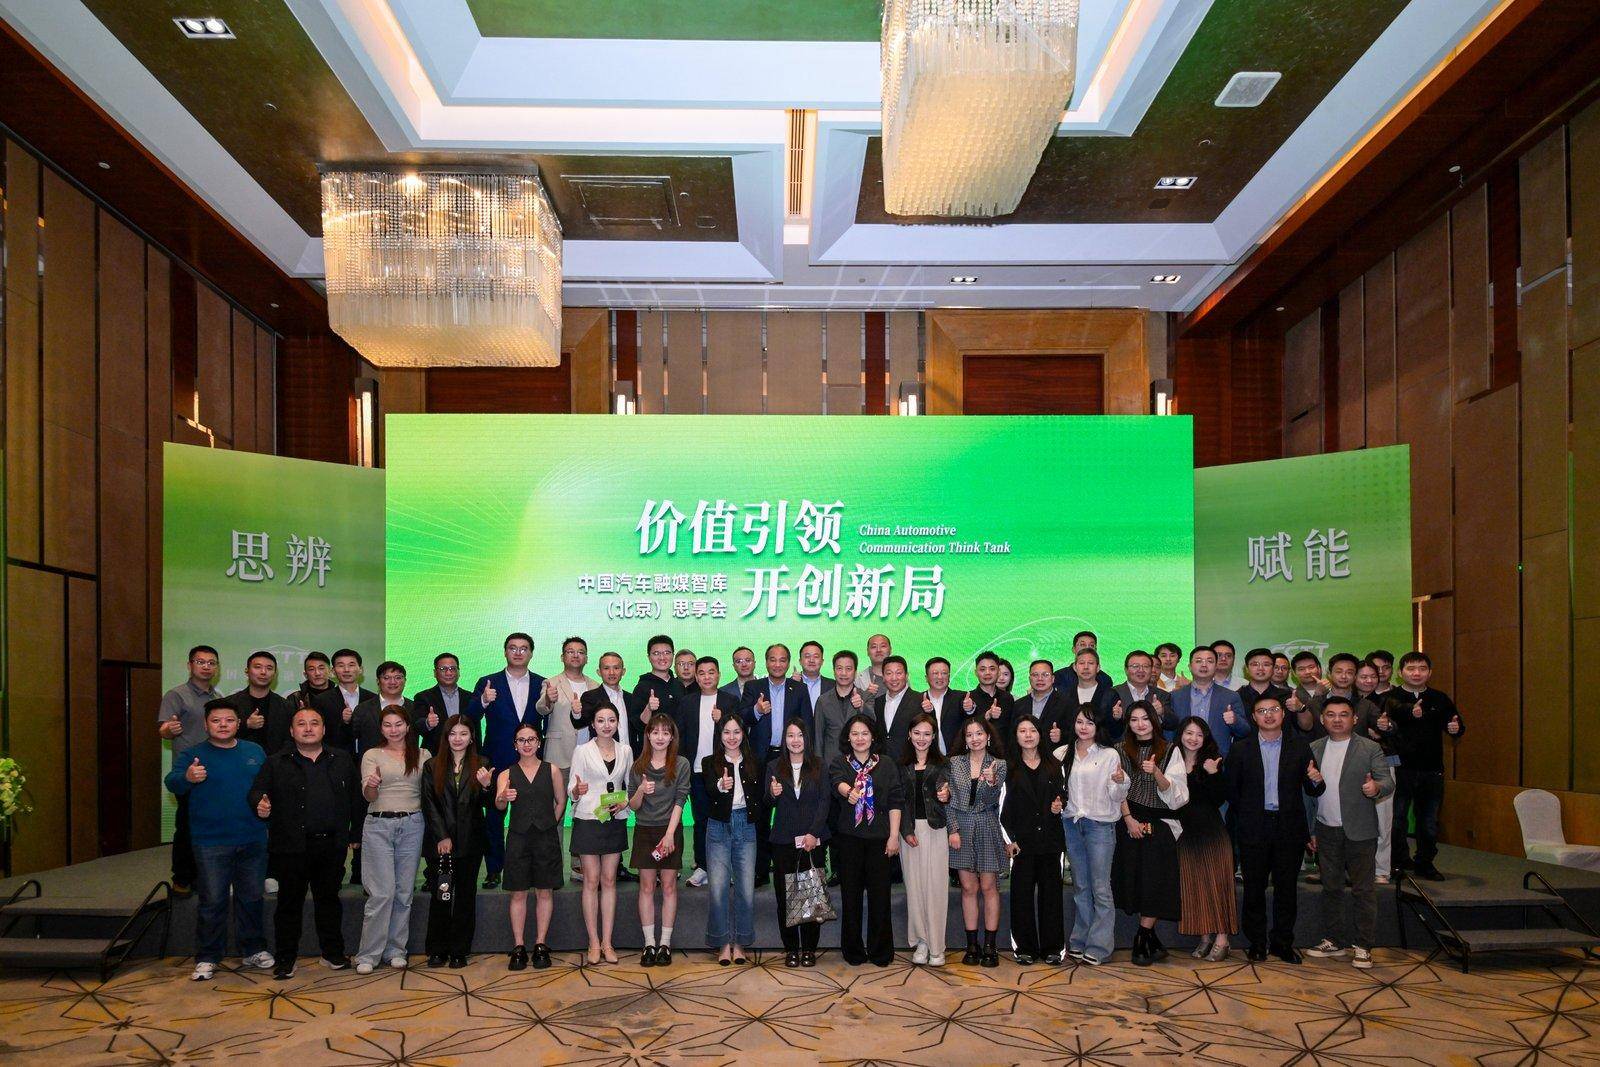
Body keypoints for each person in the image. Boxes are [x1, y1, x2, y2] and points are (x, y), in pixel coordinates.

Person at [249, 705, 363, 980]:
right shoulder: (276, 762)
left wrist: (355, 834)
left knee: (329, 901)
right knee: (289, 904)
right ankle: (286, 958)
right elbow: (257, 792)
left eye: (314, 723)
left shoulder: (341, 759)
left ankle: (332, 953)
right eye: (301, 724)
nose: (308, 728)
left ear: (324, 729)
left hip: (331, 845)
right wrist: (259, 804)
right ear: (292, 731)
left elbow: (356, 799)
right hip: (290, 846)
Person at [165, 700, 272, 980]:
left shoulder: (254, 751)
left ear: (238, 723)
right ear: (205, 724)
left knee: (252, 898)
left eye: (229, 720)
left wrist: (267, 803)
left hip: (253, 837)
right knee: (212, 901)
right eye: (216, 720)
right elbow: (172, 782)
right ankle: (208, 956)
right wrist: (188, 777)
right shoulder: (193, 754)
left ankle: (253, 949)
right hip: (210, 842)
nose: (223, 725)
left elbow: (268, 785)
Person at [1226, 697, 1325, 963]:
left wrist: (1316, 780)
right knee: (1254, 888)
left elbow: (1313, 789)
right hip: (1254, 827)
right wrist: (1246, 819)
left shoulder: (1300, 746)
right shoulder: (1241, 749)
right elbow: (1232, 792)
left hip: (1288, 827)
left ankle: (1282, 943)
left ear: (1283, 714)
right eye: (1262, 711)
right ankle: (1257, 942)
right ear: (1254, 717)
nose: (1268, 715)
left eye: (1273, 710)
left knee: (1286, 889)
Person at [1304, 697, 1395, 969]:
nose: (1337, 720)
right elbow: (1308, 794)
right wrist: (1311, 829)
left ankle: (1364, 945)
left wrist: (1375, 788)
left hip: (1360, 830)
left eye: (1343, 714)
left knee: (1363, 890)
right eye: (1331, 715)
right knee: (1331, 888)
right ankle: (1334, 940)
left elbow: (1387, 781)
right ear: (1322, 719)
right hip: (1325, 829)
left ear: (1354, 719)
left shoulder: (1370, 747)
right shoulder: (1314, 748)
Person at [467, 633, 546, 889]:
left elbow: (547, 720)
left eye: (524, 648)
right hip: (497, 759)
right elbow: (469, 717)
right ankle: (494, 869)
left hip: (532, 761)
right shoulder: (488, 682)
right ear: (505, 652)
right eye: (513, 648)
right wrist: (483, 700)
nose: (518, 652)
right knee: (493, 817)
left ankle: (531, 867)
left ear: (531, 653)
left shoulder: (542, 683)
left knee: (533, 816)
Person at [1113, 701, 1188, 965]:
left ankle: (1142, 936)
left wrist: (1156, 772)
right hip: (1129, 819)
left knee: (1156, 881)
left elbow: (1178, 795)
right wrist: (1128, 819)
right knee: (1136, 881)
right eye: (1134, 719)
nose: (1140, 724)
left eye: (1145, 718)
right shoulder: (1119, 750)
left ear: (1154, 721)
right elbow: (1116, 791)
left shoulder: (1170, 750)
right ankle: (1150, 938)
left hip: (1161, 821)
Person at [356, 707, 430, 973]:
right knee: (381, 893)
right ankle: (368, 955)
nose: (393, 730)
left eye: (398, 724)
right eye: (387, 725)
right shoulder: (372, 755)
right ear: (381, 728)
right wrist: (372, 784)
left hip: (412, 824)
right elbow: (369, 796)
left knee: (403, 893)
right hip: (379, 825)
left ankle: (396, 950)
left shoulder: (422, 755)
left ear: (408, 726)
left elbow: (431, 791)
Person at [829, 713, 905, 966]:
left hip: (880, 839)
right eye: (855, 734)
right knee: (850, 897)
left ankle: (880, 951)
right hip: (849, 840)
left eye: (864, 733)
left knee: (880, 897)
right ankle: (853, 951)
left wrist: (894, 836)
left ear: (873, 737)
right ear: (848, 738)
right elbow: (837, 783)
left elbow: (895, 800)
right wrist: (848, 791)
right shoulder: (840, 763)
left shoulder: (886, 764)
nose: (860, 738)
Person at [1380, 652, 1462, 881]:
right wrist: (1407, 713)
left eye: (1422, 668)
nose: (1416, 673)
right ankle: (1398, 861)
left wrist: (1455, 729)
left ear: (1430, 672)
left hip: (1431, 769)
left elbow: (1455, 723)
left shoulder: (1439, 698)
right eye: (1411, 668)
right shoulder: (1391, 697)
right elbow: (1386, 721)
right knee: (1397, 819)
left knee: (1428, 821)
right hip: (1399, 768)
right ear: (1400, 672)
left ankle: (1425, 862)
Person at [1055, 705, 1127, 965]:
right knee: (1081, 885)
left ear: (1098, 727)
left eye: (1089, 723)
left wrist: (1119, 782)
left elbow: (1117, 795)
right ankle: (1079, 940)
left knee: (1101, 887)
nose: (1083, 727)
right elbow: (1054, 788)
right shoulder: (1062, 753)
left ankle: (1099, 946)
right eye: (1079, 722)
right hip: (1072, 825)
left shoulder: (1109, 754)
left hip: (1100, 826)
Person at [421, 715, 493, 968]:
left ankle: (460, 950)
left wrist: (486, 787)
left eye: (464, 733)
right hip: (441, 843)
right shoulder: (431, 765)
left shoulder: (482, 763)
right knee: (441, 895)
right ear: (446, 737)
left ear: (472, 737)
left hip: (471, 842)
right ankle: (437, 949)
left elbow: (489, 805)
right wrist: (442, 836)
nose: (458, 738)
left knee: (465, 896)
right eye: (453, 733)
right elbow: (429, 803)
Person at [742, 644, 814, 885]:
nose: (777, 664)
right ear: (766, 662)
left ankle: (793, 865)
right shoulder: (754, 687)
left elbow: (807, 724)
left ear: (788, 662)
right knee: (761, 816)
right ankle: (761, 870)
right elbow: (742, 717)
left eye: (782, 660)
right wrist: (757, 710)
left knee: (792, 811)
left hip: (790, 757)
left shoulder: (799, 688)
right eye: (772, 659)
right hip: (760, 760)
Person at [496, 722, 566, 970]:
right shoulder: (506, 774)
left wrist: (549, 823)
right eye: (521, 740)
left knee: (545, 891)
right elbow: (499, 805)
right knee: (518, 893)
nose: (526, 744)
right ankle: (518, 946)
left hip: (546, 838)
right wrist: (503, 796)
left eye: (531, 739)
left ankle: (540, 944)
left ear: (539, 742)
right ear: (515, 745)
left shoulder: (552, 770)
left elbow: (561, 801)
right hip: (518, 838)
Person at [569, 703, 633, 964]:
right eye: (601, 720)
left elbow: (630, 785)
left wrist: (625, 801)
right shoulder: (582, 750)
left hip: (614, 820)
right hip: (588, 818)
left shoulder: (626, 750)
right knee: (591, 880)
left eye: (611, 720)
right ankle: (593, 942)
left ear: (617, 723)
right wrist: (577, 791)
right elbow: (572, 788)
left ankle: (607, 942)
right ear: (593, 724)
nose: (606, 725)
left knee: (609, 880)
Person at [158, 644, 223, 895]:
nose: (206, 667)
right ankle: (182, 878)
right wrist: (169, 729)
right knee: (187, 826)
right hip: (189, 773)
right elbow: (164, 729)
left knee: (211, 826)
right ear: (189, 665)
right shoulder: (177, 695)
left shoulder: (218, 698)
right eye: (200, 662)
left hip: (215, 772)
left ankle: (204, 876)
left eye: (211, 663)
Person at [1001, 715, 1065, 965]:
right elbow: (1001, 808)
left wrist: (1060, 805)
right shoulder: (1008, 768)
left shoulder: (1054, 765)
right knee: (1021, 896)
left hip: (1051, 842)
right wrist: (1009, 839)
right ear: (1015, 736)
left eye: (1033, 730)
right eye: (1022, 731)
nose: (1028, 735)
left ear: (1040, 734)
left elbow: (1063, 796)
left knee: (1052, 897)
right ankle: (1024, 947)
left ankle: (1053, 948)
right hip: (1021, 844)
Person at [767, 719, 832, 967]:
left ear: (807, 738)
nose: (795, 740)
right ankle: (791, 949)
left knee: (811, 896)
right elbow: (767, 803)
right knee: (786, 898)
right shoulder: (774, 766)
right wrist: (772, 794)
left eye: (800, 735)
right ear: (784, 740)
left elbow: (825, 801)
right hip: (783, 841)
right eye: (790, 735)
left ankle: (809, 950)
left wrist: (813, 833)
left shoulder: (819, 765)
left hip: (812, 841)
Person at [628, 713, 691, 966]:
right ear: (648, 735)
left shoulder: (681, 764)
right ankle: (649, 944)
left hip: (670, 830)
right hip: (644, 830)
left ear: (672, 736)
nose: (660, 737)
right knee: (646, 887)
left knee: (668, 886)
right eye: (655, 732)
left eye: (666, 732)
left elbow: (680, 800)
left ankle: (665, 943)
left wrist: (669, 834)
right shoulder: (638, 766)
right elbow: (633, 805)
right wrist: (641, 791)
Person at [673, 655, 739, 891]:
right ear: (696, 676)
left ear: (718, 675)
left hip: (723, 771)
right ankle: (702, 865)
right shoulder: (687, 702)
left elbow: (738, 734)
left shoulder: (730, 701)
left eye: (711, 672)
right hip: (697, 771)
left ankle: (727, 867)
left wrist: (722, 721)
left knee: (726, 819)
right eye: (701, 673)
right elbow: (679, 737)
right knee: (701, 820)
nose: (706, 677)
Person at [1173, 716, 1235, 962]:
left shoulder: (1212, 761)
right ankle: (1205, 937)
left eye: (1199, 734)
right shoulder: (1172, 762)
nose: (1193, 738)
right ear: (1181, 735)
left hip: (1211, 833)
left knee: (1216, 886)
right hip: (1185, 835)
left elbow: (1219, 798)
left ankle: (1222, 939)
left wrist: (1214, 773)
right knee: (1194, 887)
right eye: (1189, 733)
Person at [947, 715, 1007, 967]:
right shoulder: (953, 763)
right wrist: (952, 829)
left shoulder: (999, 764)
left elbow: (993, 798)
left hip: (987, 826)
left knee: (989, 887)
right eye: (970, 735)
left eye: (979, 734)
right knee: (968, 888)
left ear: (988, 736)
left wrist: (991, 781)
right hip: (961, 828)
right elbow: (948, 799)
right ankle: (972, 945)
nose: (975, 739)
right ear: (964, 739)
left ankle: (990, 946)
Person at [703, 714, 761, 964]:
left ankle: (740, 943)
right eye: (727, 732)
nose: (732, 737)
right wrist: (720, 785)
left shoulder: (754, 762)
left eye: (736, 732)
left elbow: (761, 797)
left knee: (745, 888)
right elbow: (709, 789)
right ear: (720, 735)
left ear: (743, 734)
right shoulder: (709, 762)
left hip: (746, 826)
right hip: (718, 826)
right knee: (718, 888)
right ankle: (723, 943)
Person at [897, 713, 951, 966]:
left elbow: (950, 794)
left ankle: (937, 946)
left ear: (934, 736)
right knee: (915, 889)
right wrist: (905, 831)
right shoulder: (901, 765)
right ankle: (921, 942)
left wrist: (947, 795)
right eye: (917, 733)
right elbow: (898, 801)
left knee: (936, 888)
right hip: (910, 833)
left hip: (936, 830)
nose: (921, 738)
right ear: (909, 735)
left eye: (927, 734)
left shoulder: (944, 763)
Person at [1355, 661, 1400, 884]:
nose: (1369, 680)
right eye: (1363, 676)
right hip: (1354, 764)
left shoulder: (1390, 700)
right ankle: (1356, 868)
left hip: (1383, 761)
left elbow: (1395, 728)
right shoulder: (1348, 700)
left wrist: (1385, 727)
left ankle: (1381, 869)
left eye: (1372, 676)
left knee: (1383, 819)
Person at [1167, 646, 1248, 755]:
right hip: (1182, 759)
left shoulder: (1231, 696)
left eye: (1209, 661)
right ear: (1190, 666)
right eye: (1198, 661)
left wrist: (1234, 721)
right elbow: (1169, 731)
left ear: (1216, 666)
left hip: (1219, 758)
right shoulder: (1175, 696)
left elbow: (1244, 731)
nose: (1204, 665)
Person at [537, 637, 596, 779]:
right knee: (558, 794)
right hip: (559, 754)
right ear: (562, 657)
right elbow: (541, 709)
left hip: (590, 755)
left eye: (580, 652)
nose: (576, 655)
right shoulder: (551, 683)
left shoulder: (595, 685)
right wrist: (548, 698)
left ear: (586, 659)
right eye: (570, 652)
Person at [311, 648, 374, 757]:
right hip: (335, 759)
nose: (346, 670)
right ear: (333, 671)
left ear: (360, 669)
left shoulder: (372, 698)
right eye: (341, 665)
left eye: (351, 665)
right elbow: (319, 734)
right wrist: (344, 722)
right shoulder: (321, 700)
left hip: (368, 758)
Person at [228, 650, 292, 755]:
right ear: (247, 671)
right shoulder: (229, 704)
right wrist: (246, 725)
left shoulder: (286, 706)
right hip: (238, 760)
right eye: (257, 667)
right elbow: (220, 735)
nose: (263, 672)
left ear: (275, 674)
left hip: (275, 762)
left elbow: (289, 741)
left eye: (269, 668)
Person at [812, 650, 866, 765]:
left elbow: (873, 723)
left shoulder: (865, 696)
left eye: (848, 669)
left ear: (855, 672)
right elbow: (818, 738)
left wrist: (862, 706)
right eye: (839, 668)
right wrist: (819, 765)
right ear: (834, 671)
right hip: (831, 762)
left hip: (860, 762)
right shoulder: (823, 700)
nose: (843, 673)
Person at [351, 661, 414, 754]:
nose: (393, 682)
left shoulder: (414, 707)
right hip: (372, 762)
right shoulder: (363, 708)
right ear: (378, 681)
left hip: (408, 760)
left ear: (405, 681)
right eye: (386, 678)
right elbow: (350, 738)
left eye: (398, 677)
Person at [412, 653, 467, 756]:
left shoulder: (469, 697)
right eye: (443, 669)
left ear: (459, 672)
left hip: (465, 756)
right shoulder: (423, 697)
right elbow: (416, 725)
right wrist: (427, 723)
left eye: (452, 668)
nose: (448, 672)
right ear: (435, 673)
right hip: (434, 755)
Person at [1054, 647, 1117, 736]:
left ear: (1098, 668)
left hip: (1101, 743)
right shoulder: (1064, 695)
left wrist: (1117, 719)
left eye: (1090, 663)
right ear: (1075, 667)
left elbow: (1116, 732)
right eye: (1081, 663)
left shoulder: (1110, 695)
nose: (1086, 667)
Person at [870, 654, 921, 762]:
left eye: (898, 673)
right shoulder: (877, 702)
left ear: (906, 675)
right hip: (883, 764)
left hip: (911, 763)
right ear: (883, 677)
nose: (894, 678)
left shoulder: (920, 700)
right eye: (889, 673)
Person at [633, 635, 685, 732]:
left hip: (678, 741)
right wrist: (648, 709)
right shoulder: (642, 687)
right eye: (656, 653)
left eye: (667, 653)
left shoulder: (679, 685)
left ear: (673, 655)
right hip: (654, 741)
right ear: (649, 657)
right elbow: (637, 726)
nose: (662, 657)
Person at [1113, 650, 1170, 733]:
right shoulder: (1112, 693)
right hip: (1122, 741)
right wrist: (1115, 719)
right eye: (1135, 666)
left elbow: (1172, 724)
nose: (1141, 670)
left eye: (1146, 666)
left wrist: (1162, 713)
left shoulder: (1162, 695)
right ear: (1126, 670)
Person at [1018, 659, 1072, 747]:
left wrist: (1061, 736)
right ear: (1029, 679)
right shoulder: (1018, 705)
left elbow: (1075, 733)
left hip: (1055, 754)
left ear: (1053, 679)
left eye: (1045, 675)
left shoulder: (1067, 703)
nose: (1040, 679)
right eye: (1035, 675)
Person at [919, 657, 965, 755]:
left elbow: (970, 718)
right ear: (926, 678)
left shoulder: (961, 697)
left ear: (949, 676)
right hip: (926, 757)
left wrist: (970, 709)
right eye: (935, 673)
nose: (940, 677)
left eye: (944, 673)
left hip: (956, 757)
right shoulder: (917, 699)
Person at [967, 651, 1016, 732]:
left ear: (998, 672)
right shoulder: (968, 699)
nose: (987, 673)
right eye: (982, 669)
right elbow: (964, 729)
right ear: (976, 673)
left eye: (992, 669)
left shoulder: (1007, 698)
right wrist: (987, 716)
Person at [1237, 647, 1292, 718]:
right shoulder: (1237, 696)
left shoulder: (1286, 697)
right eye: (1255, 664)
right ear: (1247, 669)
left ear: (1273, 668)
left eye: (1266, 664)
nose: (1260, 668)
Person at [795, 640, 829, 710]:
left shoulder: (833, 686)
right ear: (800, 661)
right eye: (807, 656)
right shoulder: (790, 685)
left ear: (822, 661)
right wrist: (793, 684)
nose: (811, 660)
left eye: (816, 656)